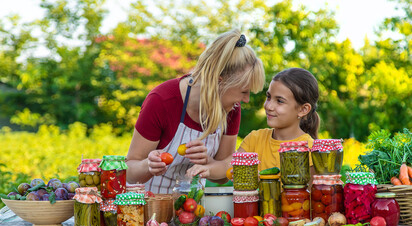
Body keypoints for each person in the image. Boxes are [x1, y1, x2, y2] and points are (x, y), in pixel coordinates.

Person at [126, 29, 265, 194]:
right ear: (219, 81)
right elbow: (129, 171)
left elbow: (223, 173)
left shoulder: (231, 108)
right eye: (244, 91)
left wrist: (208, 162)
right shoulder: (162, 100)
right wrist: (147, 165)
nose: (246, 99)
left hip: (193, 213)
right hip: (150, 209)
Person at [189, 67, 320, 178]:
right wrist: (208, 168)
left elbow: (304, 200)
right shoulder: (255, 139)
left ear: (303, 109)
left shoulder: (311, 150)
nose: (268, 106)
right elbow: (227, 165)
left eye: (279, 101)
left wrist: (262, 182)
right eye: (269, 97)